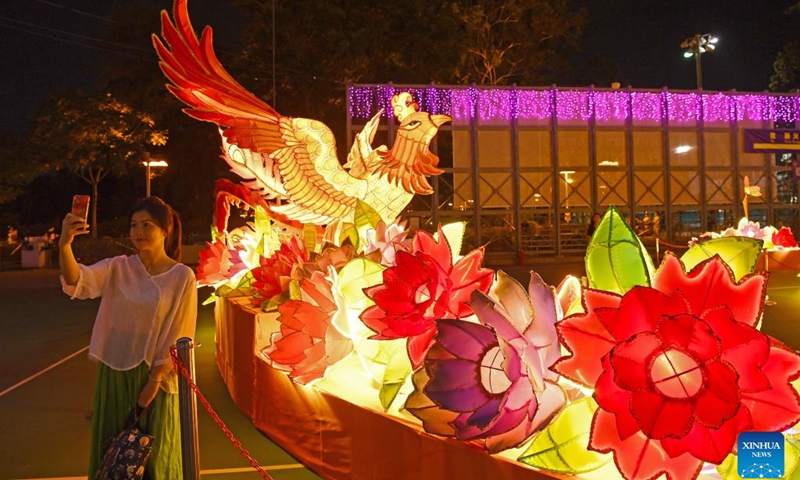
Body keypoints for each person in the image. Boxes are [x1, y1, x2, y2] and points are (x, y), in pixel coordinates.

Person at [59, 196, 197, 479]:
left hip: (157, 375)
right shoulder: (118, 267)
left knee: (155, 452)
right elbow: (77, 280)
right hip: (116, 370)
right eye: (134, 225)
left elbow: (178, 332)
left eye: (147, 225)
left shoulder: (182, 276)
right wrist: (64, 244)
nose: (139, 232)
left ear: (165, 230)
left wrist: (154, 380)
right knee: (115, 454)